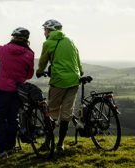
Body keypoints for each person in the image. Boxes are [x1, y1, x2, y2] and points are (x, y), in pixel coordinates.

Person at [0, 27, 34, 158]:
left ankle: (0, 150)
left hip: (4, 90)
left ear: (13, 37)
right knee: (13, 118)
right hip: (18, 91)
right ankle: (10, 147)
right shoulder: (30, 54)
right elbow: (29, 74)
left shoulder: (5, 49)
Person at [36, 19, 83, 153]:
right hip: (74, 80)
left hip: (59, 81)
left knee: (52, 112)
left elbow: (43, 61)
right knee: (66, 113)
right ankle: (60, 145)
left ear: (50, 30)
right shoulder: (70, 40)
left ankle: (47, 143)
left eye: (45, 29)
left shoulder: (48, 43)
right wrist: (80, 72)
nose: (44, 32)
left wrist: (39, 72)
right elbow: (77, 58)